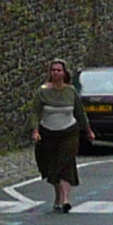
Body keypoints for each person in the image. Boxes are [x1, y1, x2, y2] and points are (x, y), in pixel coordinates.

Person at [31, 58, 84, 214]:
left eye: (58, 70)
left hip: (69, 132)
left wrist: (88, 130)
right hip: (48, 133)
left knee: (66, 162)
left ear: (64, 73)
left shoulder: (71, 91)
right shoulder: (42, 91)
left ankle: (66, 199)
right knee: (52, 165)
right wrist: (35, 130)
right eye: (53, 70)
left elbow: (80, 112)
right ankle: (58, 196)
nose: (55, 73)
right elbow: (35, 112)